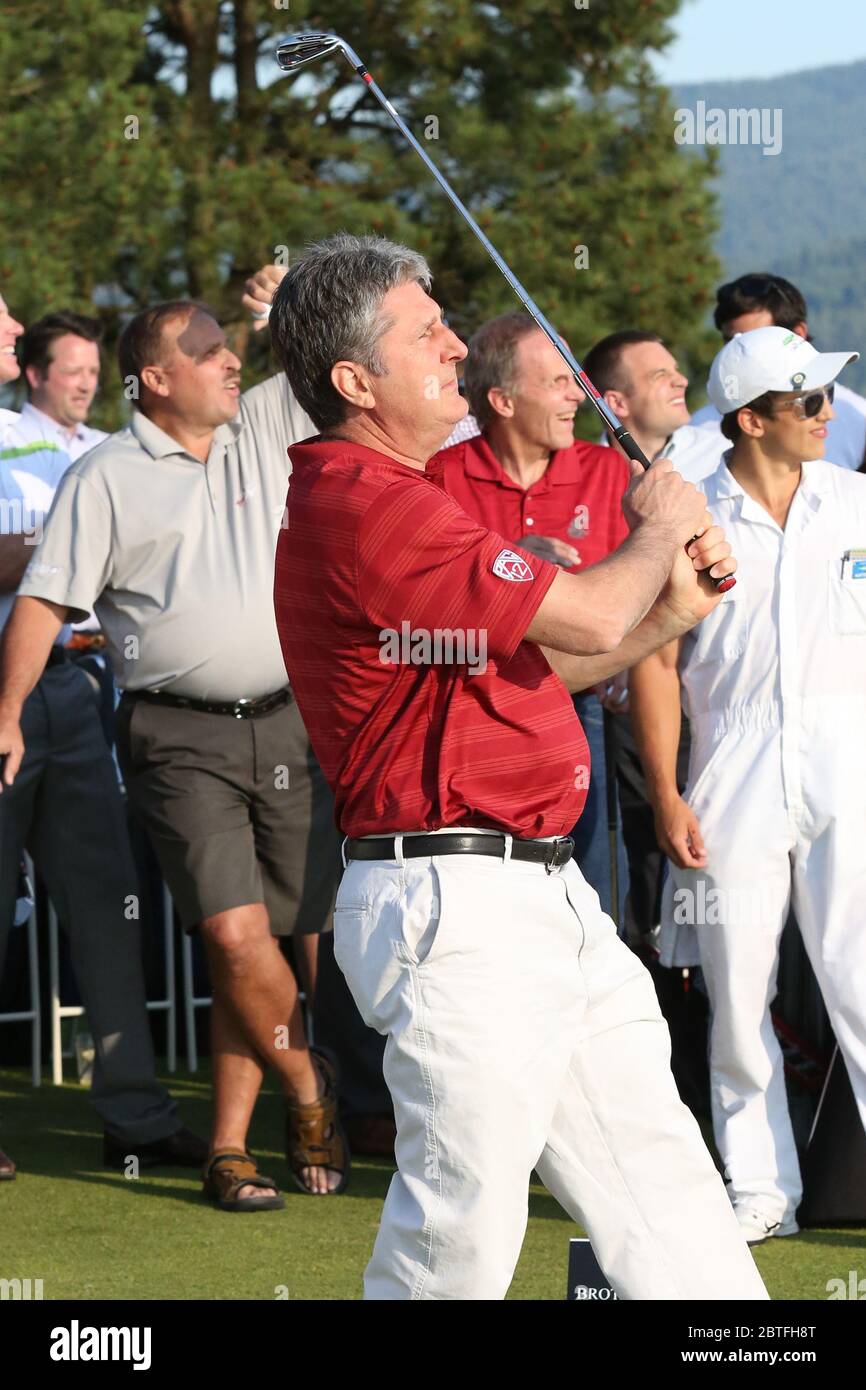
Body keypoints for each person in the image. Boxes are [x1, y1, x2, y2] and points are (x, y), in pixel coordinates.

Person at [269, 231, 767, 1300]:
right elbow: (586, 606)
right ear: (356, 380)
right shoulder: (368, 498)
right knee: (460, 1232)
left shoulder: (403, 492)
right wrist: (659, 523)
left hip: (533, 891)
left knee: (663, 1184)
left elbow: (567, 656)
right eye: (426, 329)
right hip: (452, 899)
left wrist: (672, 604)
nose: (456, 342)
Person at [0, 279, 347, 1207]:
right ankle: (311, 1091)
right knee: (236, 938)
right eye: (206, 351)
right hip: (175, 734)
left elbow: (325, 363)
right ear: (154, 379)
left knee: (282, 939)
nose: (230, 360)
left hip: (288, 721)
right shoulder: (104, 475)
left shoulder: (261, 429)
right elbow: (43, 598)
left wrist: (283, 308)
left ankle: (230, 1149)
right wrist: (5, 712)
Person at [629, 325, 866, 1244]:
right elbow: (655, 661)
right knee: (737, 991)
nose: (827, 412)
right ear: (750, 420)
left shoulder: (856, 501)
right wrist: (667, 791)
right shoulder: (687, 517)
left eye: (825, 396)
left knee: (859, 977)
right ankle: (761, 1192)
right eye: (807, 401)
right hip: (731, 765)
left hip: (849, 757)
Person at [0, 292, 206, 1183]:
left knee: (108, 908)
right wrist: (71, 543)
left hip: (75, 686)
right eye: (1, 320)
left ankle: (136, 1116)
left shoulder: (73, 448)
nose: (17, 332)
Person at [431, 311, 631, 920]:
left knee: (590, 900)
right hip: (471, 713)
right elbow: (425, 617)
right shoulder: (437, 479)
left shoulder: (610, 472)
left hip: (581, 710)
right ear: (503, 400)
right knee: (487, 906)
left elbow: (646, 595)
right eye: (560, 382)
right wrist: (507, 567)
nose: (580, 394)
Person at [691, 272, 866, 473]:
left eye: (757, 338)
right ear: (749, 421)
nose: (739, 350)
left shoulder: (858, 419)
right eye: (730, 341)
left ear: (799, 334)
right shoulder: (697, 429)